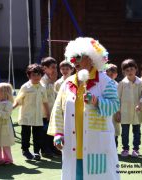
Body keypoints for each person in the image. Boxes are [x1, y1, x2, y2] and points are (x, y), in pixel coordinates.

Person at [48, 37, 120, 180]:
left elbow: (114, 106)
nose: (74, 61)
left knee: (99, 176)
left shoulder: (106, 82)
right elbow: (58, 110)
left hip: (97, 143)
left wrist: (96, 101)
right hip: (72, 143)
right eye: (73, 58)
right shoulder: (67, 83)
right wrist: (58, 133)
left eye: (79, 57)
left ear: (92, 58)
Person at [13, 64, 49, 161]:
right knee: (26, 134)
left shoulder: (42, 87)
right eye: (33, 75)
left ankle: (36, 152)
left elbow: (45, 101)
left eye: (38, 75)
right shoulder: (25, 87)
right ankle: (25, 150)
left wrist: (48, 114)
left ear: (41, 75)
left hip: (38, 115)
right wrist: (12, 107)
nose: (36, 77)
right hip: (26, 115)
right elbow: (18, 99)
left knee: (37, 135)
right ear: (29, 76)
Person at [117, 59, 142, 157]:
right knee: (125, 133)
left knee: (137, 132)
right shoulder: (122, 83)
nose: (129, 72)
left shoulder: (140, 83)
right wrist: (118, 112)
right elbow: (117, 98)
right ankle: (125, 149)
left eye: (131, 69)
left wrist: (140, 103)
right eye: (127, 70)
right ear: (123, 72)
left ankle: (136, 149)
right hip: (124, 112)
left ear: (136, 69)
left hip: (137, 112)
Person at [40, 57, 59, 157]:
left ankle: (52, 148)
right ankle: (45, 150)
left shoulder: (51, 80)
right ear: (44, 69)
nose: (55, 70)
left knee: (52, 130)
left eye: (55, 67)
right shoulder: (43, 81)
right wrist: (47, 112)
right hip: (45, 112)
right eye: (52, 67)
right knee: (45, 131)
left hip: (52, 110)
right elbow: (44, 99)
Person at [105, 64, 120, 148]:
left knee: (114, 129)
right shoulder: (103, 84)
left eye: (112, 74)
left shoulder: (117, 85)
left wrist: (118, 112)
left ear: (116, 75)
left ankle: (114, 147)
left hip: (114, 111)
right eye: (108, 74)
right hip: (105, 110)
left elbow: (119, 99)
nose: (109, 76)